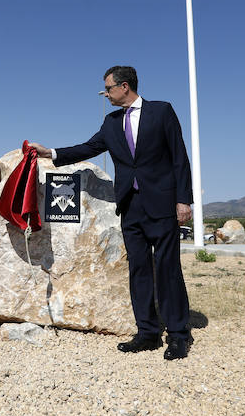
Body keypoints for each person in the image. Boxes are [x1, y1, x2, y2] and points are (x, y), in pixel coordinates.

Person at [29, 65, 194, 360]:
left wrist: (184, 200)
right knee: (139, 270)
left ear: (124, 86)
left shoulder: (161, 111)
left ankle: (178, 335)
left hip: (162, 204)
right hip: (130, 206)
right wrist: (51, 153)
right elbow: (89, 147)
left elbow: (179, 157)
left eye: (108, 89)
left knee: (168, 269)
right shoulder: (111, 122)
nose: (105, 94)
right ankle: (147, 333)